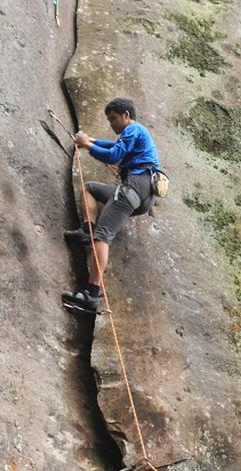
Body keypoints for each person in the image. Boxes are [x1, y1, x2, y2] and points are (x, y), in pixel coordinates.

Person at [62, 97, 160, 311]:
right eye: (109, 120)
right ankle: (87, 230)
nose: (111, 124)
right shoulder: (137, 135)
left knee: (103, 235)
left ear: (127, 115)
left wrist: (87, 144)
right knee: (90, 188)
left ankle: (92, 293)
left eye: (114, 118)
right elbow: (113, 146)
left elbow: (115, 154)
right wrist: (93, 141)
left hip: (133, 188)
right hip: (143, 196)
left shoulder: (133, 129)